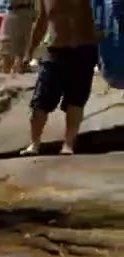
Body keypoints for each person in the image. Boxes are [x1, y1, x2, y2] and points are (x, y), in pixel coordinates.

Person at [21, 0, 99, 155]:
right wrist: (29, 52)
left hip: (83, 49)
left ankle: (68, 144)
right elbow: (41, 23)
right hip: (54, 50)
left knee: (76, 100)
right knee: (40, 100)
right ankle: (34, 143)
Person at [0, 0, 39, 72]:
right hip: (21, 12)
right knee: (11, 53)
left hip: (18, 13)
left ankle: (10, 71)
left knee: (7, 52)